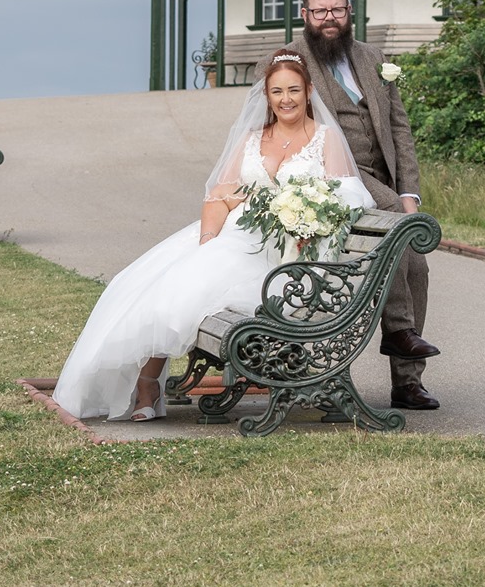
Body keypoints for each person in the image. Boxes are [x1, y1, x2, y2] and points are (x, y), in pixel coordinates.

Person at [51, 49, 375, 421]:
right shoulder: (252, 140)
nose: (286, 100)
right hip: (230, 238)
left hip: (283, 253)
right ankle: (147, 384)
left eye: (294, 90)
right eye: (277, 92)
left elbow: (345, 199)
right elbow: (218, 196)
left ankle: (148, 384)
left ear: (308, 91)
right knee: (150, 284)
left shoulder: (325, 139)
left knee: (185, 288)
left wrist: (304, 219)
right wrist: (208, 241)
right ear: (266, 96)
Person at [287, 0, 441, 411]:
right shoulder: (289, 60)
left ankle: (406, 381)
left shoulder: (373, 58)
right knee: (392, 222)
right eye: (320, 11)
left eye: (337, 10)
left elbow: (399, 131)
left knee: (417, 268)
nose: (329, 19)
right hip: (332, 176)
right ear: (305, 15)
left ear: (349, 11)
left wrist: (410, 192)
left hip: (383, 179)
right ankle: (397, 333)